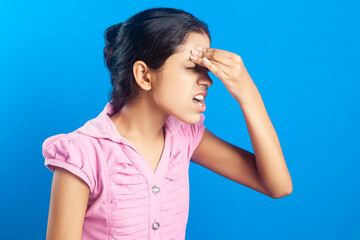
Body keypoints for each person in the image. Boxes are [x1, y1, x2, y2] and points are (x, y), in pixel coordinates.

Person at [42, 7, 292, 240]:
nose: (208, 80)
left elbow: (278, 186)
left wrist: (248, 94)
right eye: (193, 67)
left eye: (207, 69)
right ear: (144, 75)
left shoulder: (185, 136)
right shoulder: (82, 153)